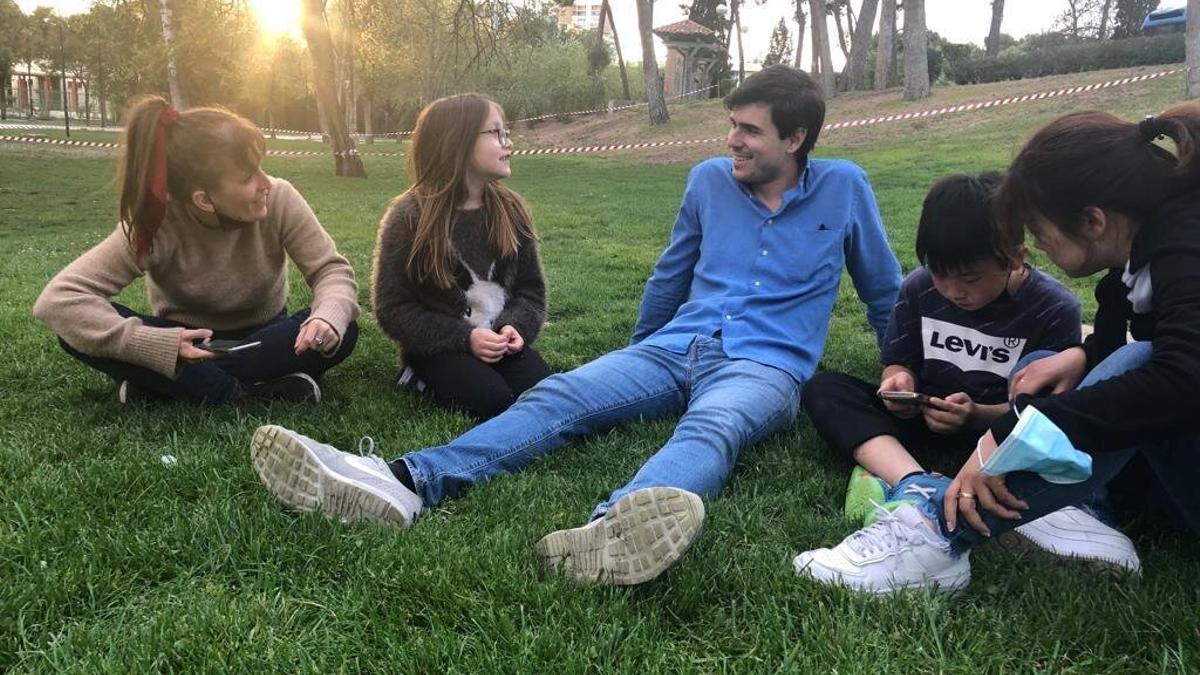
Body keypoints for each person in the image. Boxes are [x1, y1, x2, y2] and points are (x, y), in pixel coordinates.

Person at [250, 66, 902, 586]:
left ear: (793, 140)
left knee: (716, 425)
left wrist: (902, 362)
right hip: (676, 344)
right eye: (731, 125)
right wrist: (640, 354)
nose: (731, 139)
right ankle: (402, 480)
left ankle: (617, 526)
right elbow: (671, 277)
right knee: (562, 394)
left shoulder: (845, 187)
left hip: (768, 363)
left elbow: (883, 290)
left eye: (749, 131)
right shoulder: (707, 181)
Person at [794, 104, 1200, 595]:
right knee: (1118, 361)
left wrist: (1003, 433)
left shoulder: (1184, 246)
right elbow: (1118, 349)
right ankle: (1046, 512)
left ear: (1092, 221)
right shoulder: (1133, 265)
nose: (1033, 245)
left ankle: (939, 533)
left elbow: (1182, 379)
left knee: (1138, 362)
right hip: (1163, 483)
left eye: (1036, 229)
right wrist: (1082, 356)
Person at [802, 172, 1139, 575]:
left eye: (969, 279)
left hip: (1000, 435)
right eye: (940, 275)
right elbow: (898, 361)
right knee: (825, 390)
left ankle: (1062, 516)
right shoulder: (918, 289)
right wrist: (900, 383)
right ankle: (915, 483)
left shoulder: (1053, 307)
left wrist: (978, 414)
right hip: (927, 417)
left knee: (1042, 380)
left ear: (1016, 257)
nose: (952, 291)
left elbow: (1051, 411)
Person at [32, 95, 359, 404]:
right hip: (182, 341)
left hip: (265, 338)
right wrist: (161, 346)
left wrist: (327, 318)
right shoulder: (157, 223)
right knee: (75, 331)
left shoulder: (280, 198)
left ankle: (168, 386)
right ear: (204, 199)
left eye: (262, 167)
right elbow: (59, 300)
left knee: (342, 330)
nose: (266, 183)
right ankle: (251, 392)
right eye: (248, 176)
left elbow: (331, 271)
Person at [372, 93, 550, 420]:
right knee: (491, 400)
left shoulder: (512, 212)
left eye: (506, 133)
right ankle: (417, 376)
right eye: (496, 134)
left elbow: (530, 291)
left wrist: (515, 328)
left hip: (498, 339)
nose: (507, 143)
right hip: (441, 346)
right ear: (458, 141)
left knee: (544, 391)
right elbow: (391, 308)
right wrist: (465, 337)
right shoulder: (409, 217)